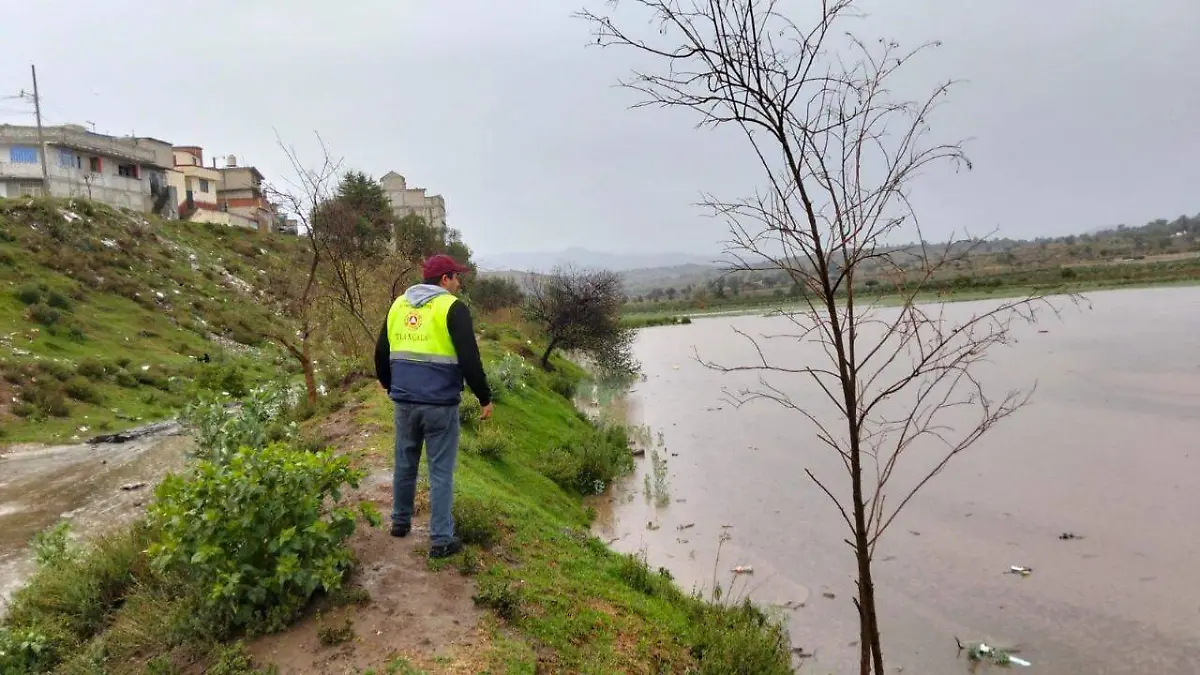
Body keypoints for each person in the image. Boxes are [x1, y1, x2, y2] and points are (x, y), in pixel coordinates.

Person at [375, 254, 493, 559]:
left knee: (404, 462)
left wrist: (389, 384)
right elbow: (470, 360)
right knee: (440, 471)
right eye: (456, 276)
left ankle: (400, 523)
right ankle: (441, 539)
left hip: (404, 402)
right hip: (440, 404)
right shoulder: (453, 308)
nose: (459, 282)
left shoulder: (399, 305)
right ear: (444, 280)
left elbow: (381, 351)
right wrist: (484, 397)